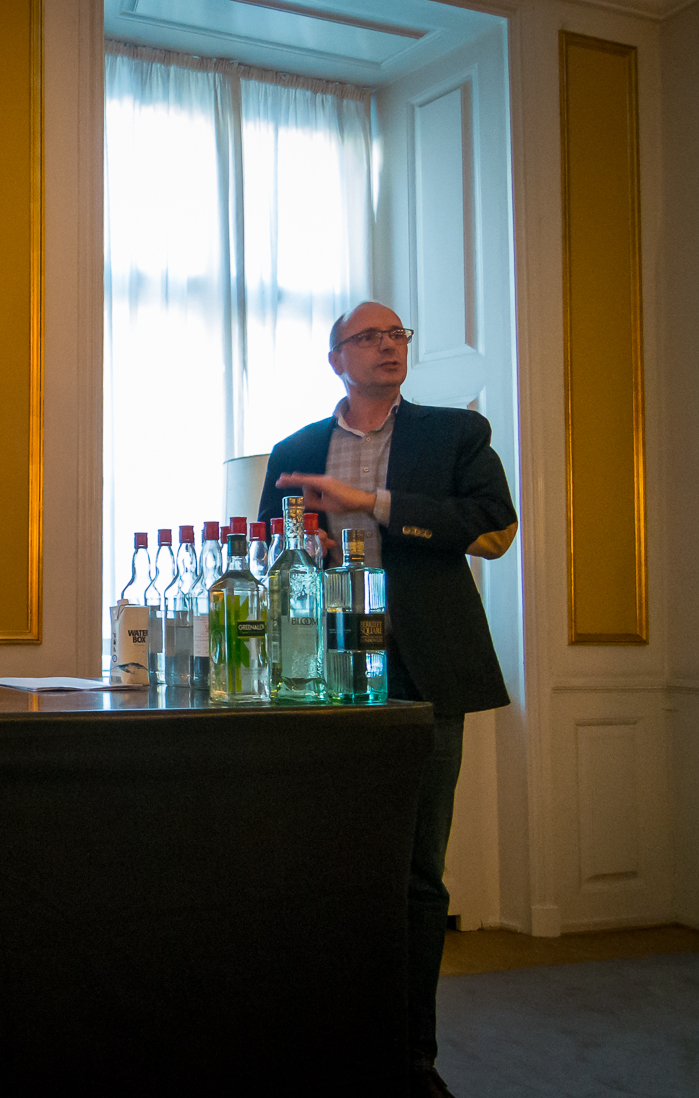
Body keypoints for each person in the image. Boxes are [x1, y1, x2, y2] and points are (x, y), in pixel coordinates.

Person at [257, 301, 518, 1098]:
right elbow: (267, 549)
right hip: (320, 679)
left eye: (397, 334)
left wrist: (374, 504)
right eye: (369, 337)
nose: (388, 346)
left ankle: (413, 1059)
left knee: (418, 873)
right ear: (336, 358)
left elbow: (495, 528)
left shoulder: (454, 434)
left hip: (424, 671)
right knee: (324, 867)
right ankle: (325, 1045)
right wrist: (306, 543)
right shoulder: (295, 451)